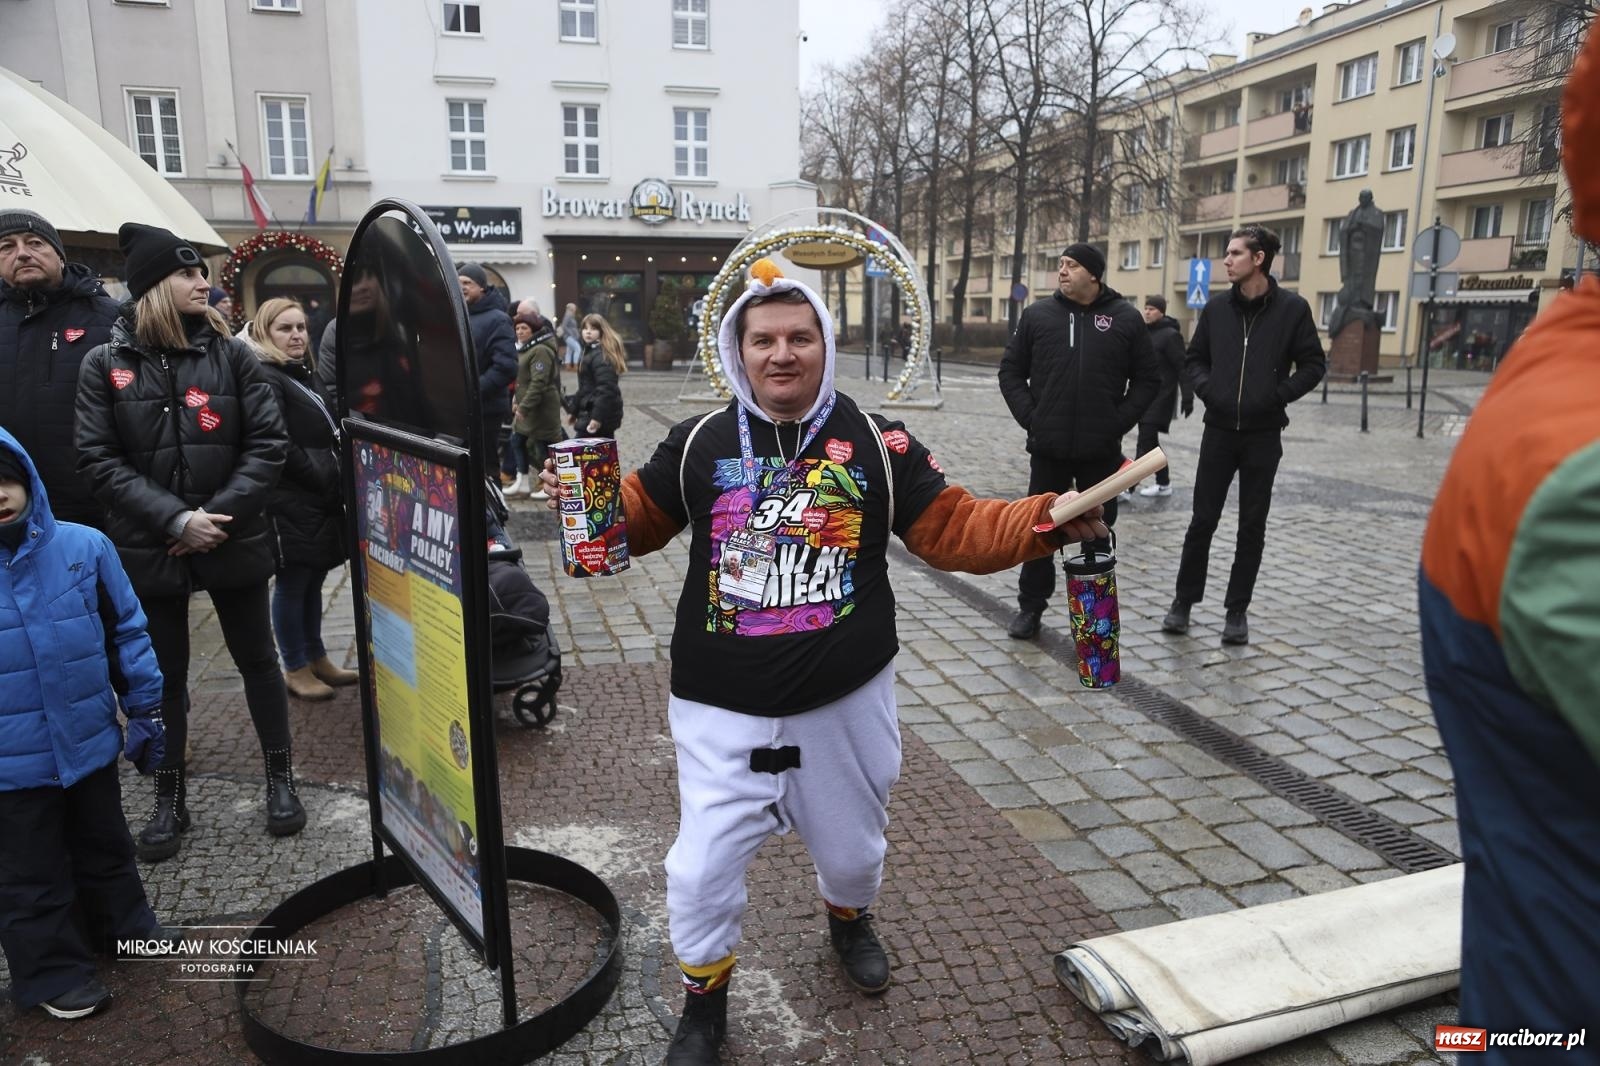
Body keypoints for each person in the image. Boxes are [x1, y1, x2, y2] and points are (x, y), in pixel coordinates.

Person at [536, 259, 1107, 1065]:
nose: (781, 354)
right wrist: (585, 511)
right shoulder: (699, 439)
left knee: (852, 852)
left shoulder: (876, 440)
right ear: (739, 351)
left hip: (846, 697)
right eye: (763, 339)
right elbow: (637, 519)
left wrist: (1043, 517)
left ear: (823, 345)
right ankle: (705, 1001)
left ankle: (848, 917)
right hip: (720, 702)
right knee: (699, 869)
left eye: (799, 337)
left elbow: (954, 526)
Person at [1420, 30, 1599, 1057]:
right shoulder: (1568, 460)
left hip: (1152, 469)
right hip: (1067, 457)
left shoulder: (1155, 330)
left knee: (1125, 571)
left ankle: (1156, 636)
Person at [74, 222, 305, 862]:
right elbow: (97, 459)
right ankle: (168, 797)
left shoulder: (233, 355)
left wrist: (214, 517)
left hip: (233, 536)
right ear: (153, 286)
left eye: (203, 272)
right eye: (188, 273)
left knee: (259, 659)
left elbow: (267, 446)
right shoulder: (105, 363)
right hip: (152, 545)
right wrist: (175, 520)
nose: (204, 282)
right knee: (164, 677)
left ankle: (280, 779)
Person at [0, 429, 172, 1019]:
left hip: (86, 743)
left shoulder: (84, 546)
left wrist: (146, 708)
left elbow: (125, 627)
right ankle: (51, 975)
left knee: (107, 849)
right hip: (11, 769)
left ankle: (124, 931)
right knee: (31, 873)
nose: (0, 494)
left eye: (6, 478)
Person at [1161, 224, 1325, 645]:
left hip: (1263, 435)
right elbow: (1194, 359)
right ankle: (1183, 602)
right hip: (1218, 432)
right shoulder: (1217, 310)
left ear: (1259, 259)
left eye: (1235, 253)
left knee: (1252, 525)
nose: (1226, 261)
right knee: (1202, 521)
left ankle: (1237, 611)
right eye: (1227, 253)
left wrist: (1278, 396)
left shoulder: (1293, 310)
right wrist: (1210, 390)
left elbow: (1313, 365)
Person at [997, 242, 1160, 640]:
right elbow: (1011, 372)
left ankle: (1095, 615)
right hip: (1048, 449)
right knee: (1039, 531)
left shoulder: (1124, 319)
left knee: (1097, 534)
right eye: (1061, 264)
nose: (1063, 271)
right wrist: (1033, 420)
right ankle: (1030, 608)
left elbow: (1147, 380)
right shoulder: (1038, 315)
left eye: (1072, 265)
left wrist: (1115, 423)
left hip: (1099, 453)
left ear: (1094, 274)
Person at [248, 297, 356, 702]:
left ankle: (317, 656)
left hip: (317, 497)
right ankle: (294, 665)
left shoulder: (299, 372)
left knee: (313, 579)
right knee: (293, 583)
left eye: (300, 328)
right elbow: (277, 441)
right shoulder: (265, 375)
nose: (296, 335)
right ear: (265, 333)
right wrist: (319, 476)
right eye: (285, 329)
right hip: (291, 498)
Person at [0, 209, 123, 528]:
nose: (23, 253)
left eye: (35, 242)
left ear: (59, 255)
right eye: (6, 247)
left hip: (98, 506)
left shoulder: (113, 319)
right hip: (10, 507)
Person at [456, 262, 517, 464]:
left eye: (468, 282)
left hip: (486, 409)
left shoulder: (498, 319)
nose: (462, 286)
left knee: (486, 466)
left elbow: (506, 367)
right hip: (461, 407)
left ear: (482, 286)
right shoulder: (457, 315)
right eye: (459, 283)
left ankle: (492, 496)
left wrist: (473, 390)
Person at [1134, 294, 1193, 497]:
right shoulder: (1145, 334)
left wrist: (1188, 396)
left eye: (1152, 309)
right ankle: (1164, 483)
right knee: (1151, 444)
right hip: (1144, 397)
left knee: (1145, 441)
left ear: (1161, 311)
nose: (1147, 312)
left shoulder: (1170, 335)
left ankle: (1127, 487)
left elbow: (1182, 367)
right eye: (1146, 308)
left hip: (1162, 397)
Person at [509, 306, 563, 500]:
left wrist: (524, 406)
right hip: (527, 407)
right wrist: (516, 399)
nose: (520, 332)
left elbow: (538, 383)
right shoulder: (525, 348)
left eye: (524, 328)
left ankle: (553, 484)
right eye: (517, 329)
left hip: (541, 408)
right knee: (517, 440)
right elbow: (522, 380)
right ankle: (522, 482)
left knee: (544, 447)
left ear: (533, 329)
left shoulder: (540, 350)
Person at [567, 313, 626, 438]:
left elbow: (607, 389)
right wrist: (574, 411)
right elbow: (585, 388)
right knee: (600, 455)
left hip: (600, 416)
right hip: (591, 412)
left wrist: (597, 418)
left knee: (588, 453)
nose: (588, 332)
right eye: (585, 328)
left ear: (601, 331)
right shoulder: (589, 352)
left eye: (593, 329)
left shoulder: (601, 356)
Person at [558, 301, 582, 368]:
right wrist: (571, 333)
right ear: (571, 308)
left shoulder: (570, 315)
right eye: (574, 307)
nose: (575, 309)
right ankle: (575, 366)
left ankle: (568, 366)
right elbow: (564, 326)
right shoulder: (568, 315)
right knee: (578, 349)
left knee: (569, 351)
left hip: (569, 336)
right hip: (569, 336)